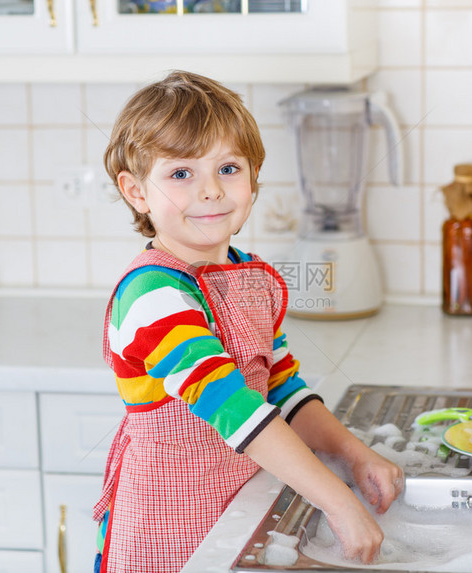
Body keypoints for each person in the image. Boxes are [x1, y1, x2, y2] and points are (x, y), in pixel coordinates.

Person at [93, 70, 404, 573]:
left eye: (229, 168)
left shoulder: (250, 276)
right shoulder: (153, 296)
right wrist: (338, 500)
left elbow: (281, 389)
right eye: (180, 174)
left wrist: (354, 454)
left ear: (254, 178)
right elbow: (235, 408)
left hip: (239, 513)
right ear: (136, 192)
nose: (211, 191)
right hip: (169, 533)